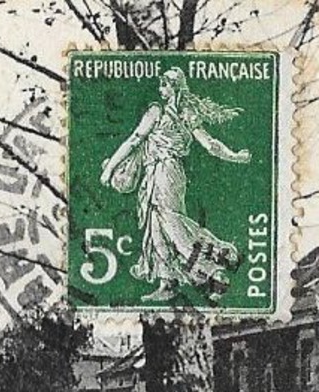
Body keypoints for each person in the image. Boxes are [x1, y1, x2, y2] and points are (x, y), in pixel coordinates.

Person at [100, 67, 251, 302]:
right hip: (160, 173)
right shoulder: (184, 113)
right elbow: (209, 144)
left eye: (163, 85)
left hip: (165, 172)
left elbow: (134, 140)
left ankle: (213, 267)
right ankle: (167, 281)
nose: (160, 89)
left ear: (173, 87)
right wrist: (234, 156)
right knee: (155, 226)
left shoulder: (157, 111)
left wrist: (110, 169)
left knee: (171, 223)